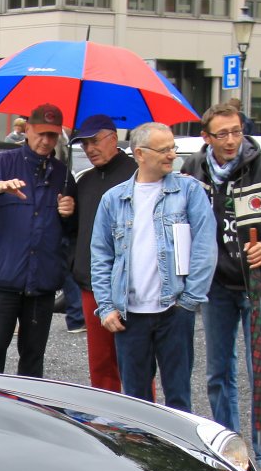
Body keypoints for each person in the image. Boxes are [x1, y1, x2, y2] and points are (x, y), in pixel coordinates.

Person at [181, 102, 261, 471]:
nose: (231, 140)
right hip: (216, 284)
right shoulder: (193, 170)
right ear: (207, 137)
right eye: (222, 134)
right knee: (218, 373)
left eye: (236, 132)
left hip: (259, 285)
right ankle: (229, 453)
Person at [88, 122, 216, 411]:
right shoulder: (113, 199)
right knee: (136, 402)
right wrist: (106, 307)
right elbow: (101, 255)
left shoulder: (189, 191)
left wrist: (189, 301)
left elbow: (205, 247)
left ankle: (177, 443)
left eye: (173, 147)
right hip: (129, 314)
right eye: (164, 149)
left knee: (178, 399)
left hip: (174, 309)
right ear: (140, 154)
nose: (172, 155)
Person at [0, 103, 75, 377]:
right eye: (41, 133)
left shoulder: (62, 175)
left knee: (33, 361)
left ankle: (27, 404)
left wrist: (70, 213)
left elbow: (71, 232)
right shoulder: (2, 163)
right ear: (27, 130)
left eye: (52, 135)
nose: (46, 140)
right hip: (3, 278)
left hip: (42, 283)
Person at [65, 115, 137, 388]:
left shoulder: (136, 175)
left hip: (130, 284)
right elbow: (76, 230)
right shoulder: (84, 182)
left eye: (95, 141)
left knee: (134, 362)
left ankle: (139, 414)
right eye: (84, 144)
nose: (90, 149)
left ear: (114, 138)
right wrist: (66, 213)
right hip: (91, 283)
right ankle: (104, 414)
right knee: (100, 362)